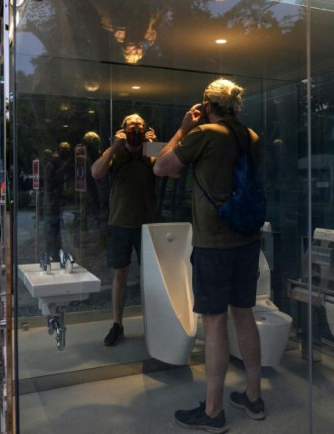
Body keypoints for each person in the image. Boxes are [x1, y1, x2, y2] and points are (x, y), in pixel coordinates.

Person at [154, 79, 265, 432]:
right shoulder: (251, 136)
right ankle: (253, 396)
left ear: (206, 104)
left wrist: (184, 128)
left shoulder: (204, 135)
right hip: (246, 240)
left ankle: (214, 411)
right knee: (244, 315)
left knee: (215, 322)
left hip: (214, 245)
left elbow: (161, 166)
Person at [91, 114, 157, 347]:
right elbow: (97, 172)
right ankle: (117, 324)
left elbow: (172, 172)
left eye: (140, 125)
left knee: (151, 277)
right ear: (123, 129)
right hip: (119, 223)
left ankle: (156, 323)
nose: (137, 128)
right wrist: (114, 147)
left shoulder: (151, 153)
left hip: (146, 225)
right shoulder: (117, 153)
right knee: (120, 275)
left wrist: (156, 148)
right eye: (132, 125)